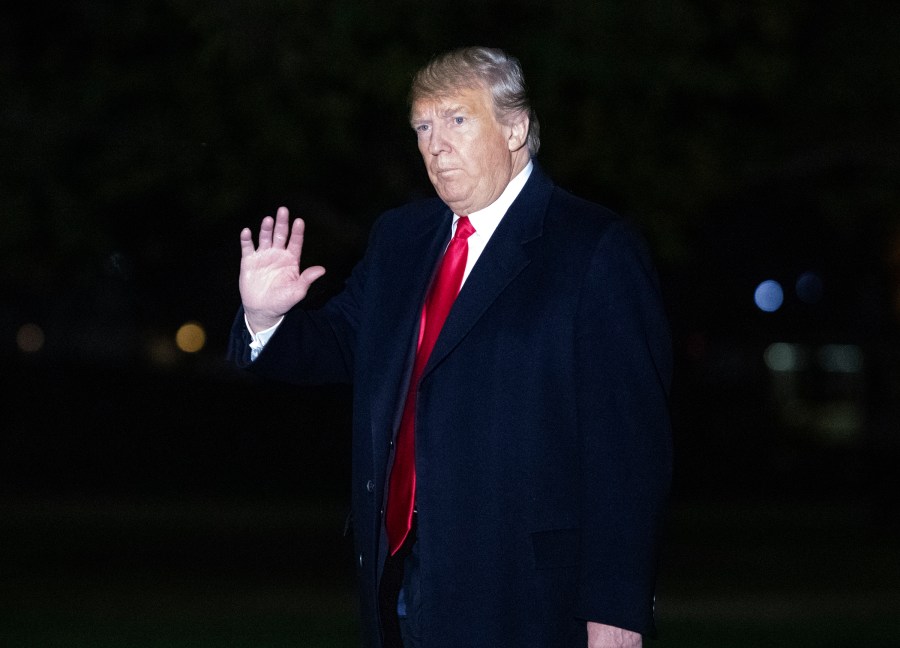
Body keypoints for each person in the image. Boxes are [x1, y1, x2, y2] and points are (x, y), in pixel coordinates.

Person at [228, 45, 673, 648]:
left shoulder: (593, 249)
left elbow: (627, 452)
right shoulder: (400, 238)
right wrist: (265, 318)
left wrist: (616, 612)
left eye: (457, 120)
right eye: (422, 126)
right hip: (400, 585)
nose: (435, 144)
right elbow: (338, 344)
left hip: (529, 597)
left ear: (515, 128)